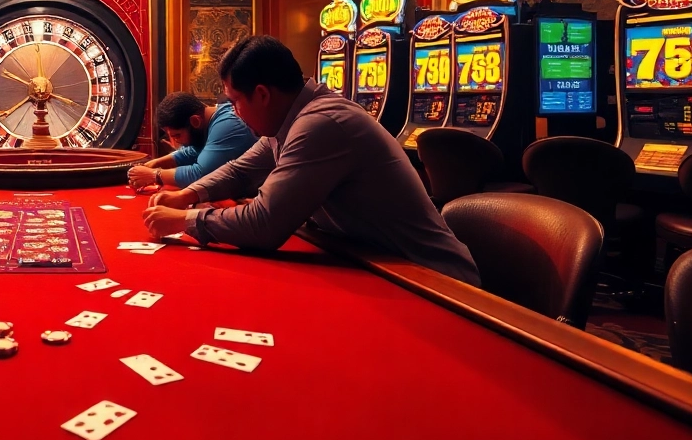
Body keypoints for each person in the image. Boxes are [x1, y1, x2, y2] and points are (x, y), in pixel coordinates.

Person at [142, 35, 480, 286]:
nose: (234, 112)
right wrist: (188, 195)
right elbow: (242, 168)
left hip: (435, 282)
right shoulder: (289, 120)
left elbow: (265, 224)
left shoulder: (320, 124)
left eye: (236, 101)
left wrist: (184, 220)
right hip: (374, 262)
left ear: (262, 94)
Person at [126, 91, 255, 191]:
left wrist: (154, 175)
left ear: (195, 121)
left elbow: (200, 174)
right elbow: (192, 151)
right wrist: (153, 164)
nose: (176, 141)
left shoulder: (227, 125)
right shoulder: (211, 121)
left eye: (177, 135)